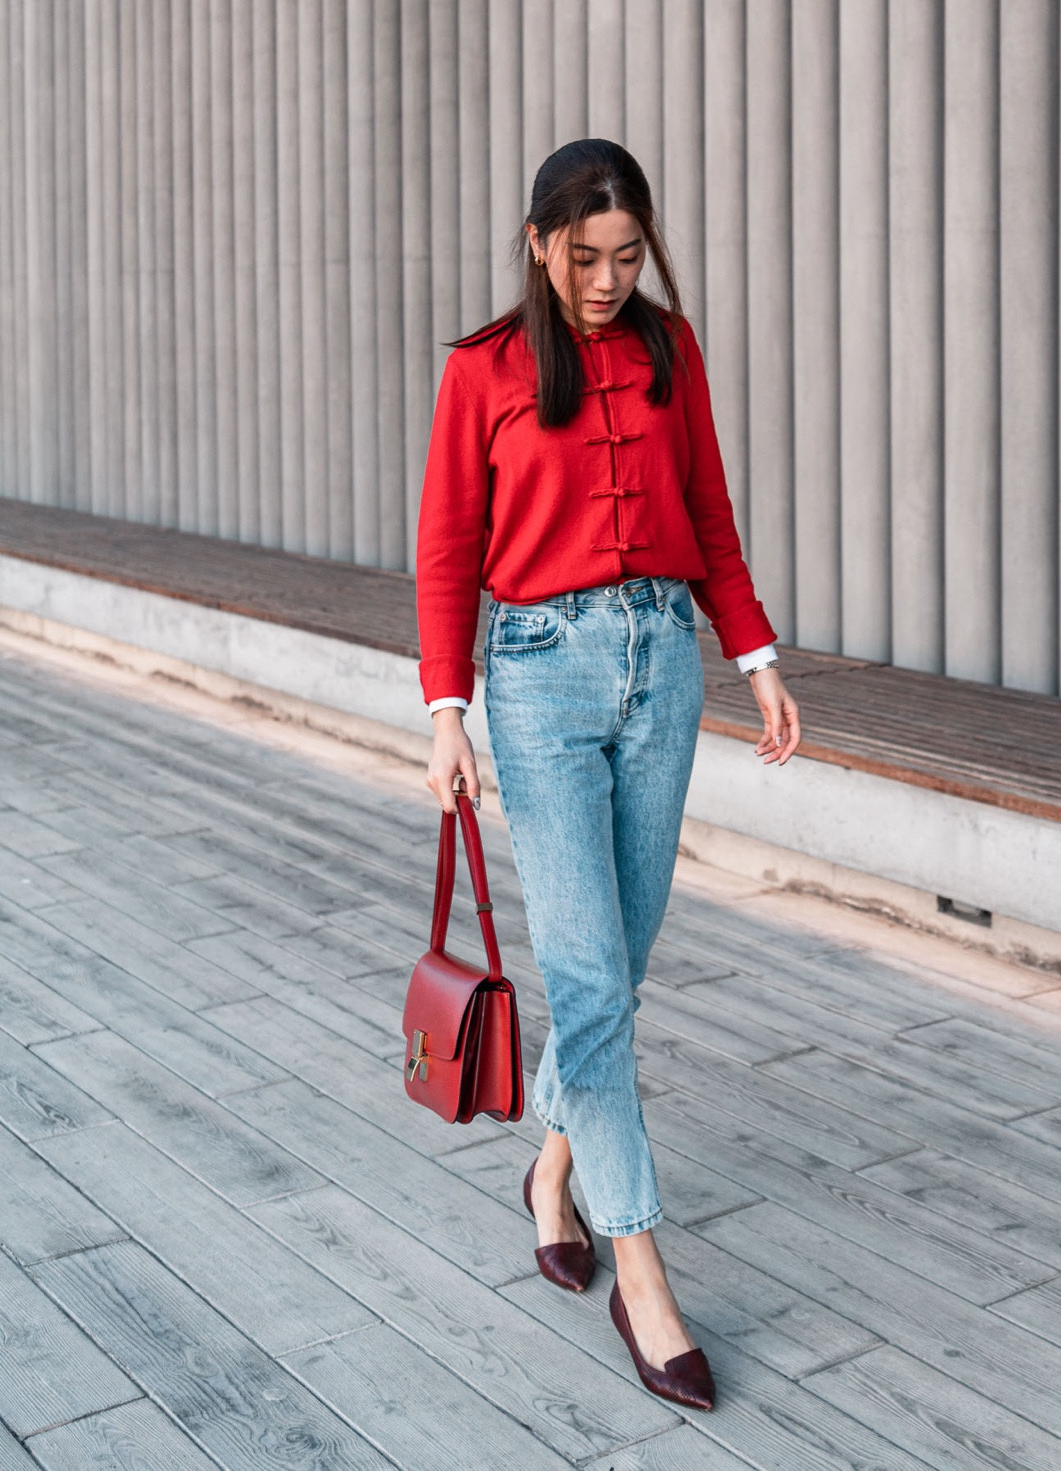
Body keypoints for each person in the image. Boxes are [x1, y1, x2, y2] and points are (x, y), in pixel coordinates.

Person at [416, 137, 800, 1412]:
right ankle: (641, 1265)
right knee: (585, 972)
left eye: (626, 255)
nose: (604, 277)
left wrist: (754, 659)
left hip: (664, 666)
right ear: (539, 243)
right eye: (584, 255)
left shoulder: (669, 352)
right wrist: (445, 710)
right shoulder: (483, 371)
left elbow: (711, 508)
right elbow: (447, 551)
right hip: (536, 675)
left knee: (615, 967)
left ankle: (550, 1167)